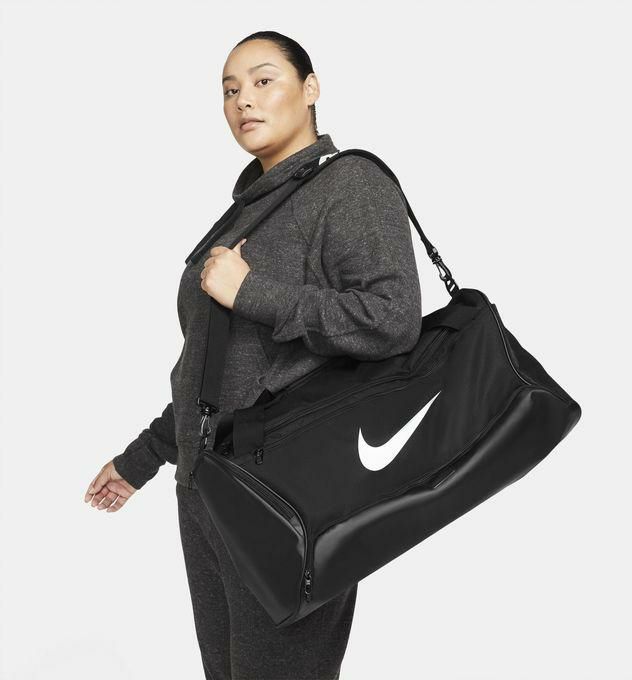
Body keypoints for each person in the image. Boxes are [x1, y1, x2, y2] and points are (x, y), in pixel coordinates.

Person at [83, 30, 422, 680]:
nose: (244, 100)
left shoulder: (349, 185)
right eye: (230, 89)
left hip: (286, 496)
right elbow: (215, 366)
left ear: (310, 88)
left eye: (264, 80)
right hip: (208, 488)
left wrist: (253, 292)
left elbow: (392, 320)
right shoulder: (249, 211)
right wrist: (143, 458)